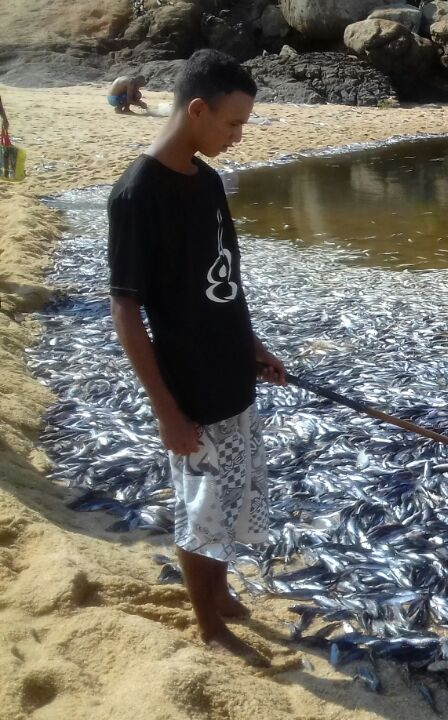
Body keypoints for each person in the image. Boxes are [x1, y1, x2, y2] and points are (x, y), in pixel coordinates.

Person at [107, 49, 284, 667]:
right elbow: (126, 311)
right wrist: (166, 411)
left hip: (231, 377)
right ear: (198, 109)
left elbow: (225, 281)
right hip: (188, 392)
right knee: (199, 510)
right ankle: (208, 623)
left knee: (229, 500)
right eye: (233, 124)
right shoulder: (136, 194)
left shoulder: (207, 181)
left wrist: (253, 347)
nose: (238, 136)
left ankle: (221, 591)